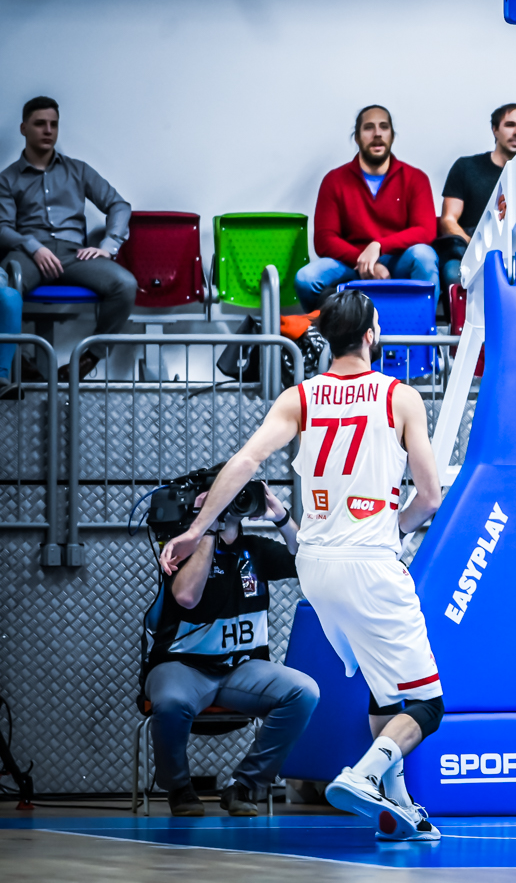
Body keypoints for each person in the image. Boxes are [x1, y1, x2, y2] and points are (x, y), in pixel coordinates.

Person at [160, 290, 445, 842]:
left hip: (313, 564)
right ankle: (365, 775)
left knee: (385, 689)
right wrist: (392, 530)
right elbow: (430, 497)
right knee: (427, 704)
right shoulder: (400, 397)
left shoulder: (301, 397)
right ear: (371, 336)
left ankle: (399, 807)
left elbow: (245, 461)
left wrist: (196, 529)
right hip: (368, 561)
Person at [148, 482, 318, 817]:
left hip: (242, 669)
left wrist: (280, 516)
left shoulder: (255, 550)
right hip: (183, 666)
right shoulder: (181, 548)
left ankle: (245, 786)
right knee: (171, 702)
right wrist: (208, 527)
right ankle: (179, 789)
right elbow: (186, 597)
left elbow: (311, 563)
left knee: (304, 691)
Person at [0, 95, 138, 381]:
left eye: (54, 124)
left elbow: (119, 205)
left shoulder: (78, 170)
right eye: (40, 124)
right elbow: (2, 228)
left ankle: (89, 358)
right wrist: (32, 246)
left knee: (125, 284)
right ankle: (16, 360)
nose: (48, 130)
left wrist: (108, 246)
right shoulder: (7, 178)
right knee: (2, 290)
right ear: (24, 128)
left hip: (74, 255)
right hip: (28, 255)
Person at [295, 105, 440, 312]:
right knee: (306, 278)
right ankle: (328, 330)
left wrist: (378, 246)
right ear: (356, 137)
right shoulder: (334, 180)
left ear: (392, 136)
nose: (377, 134)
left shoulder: (416, 178)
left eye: (384, 127)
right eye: (369, 127)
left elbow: (425, 231)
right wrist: (364, 261)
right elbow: (324, 238)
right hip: (351, 263)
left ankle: (421, 330)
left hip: (399, 261)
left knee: (424, 255)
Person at [435, 104, 516, 295]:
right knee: (453, 273)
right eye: (510, 125)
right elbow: (448, 221)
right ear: (495, 129)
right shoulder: (466, 167)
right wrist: (475, 248)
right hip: (468, 252)